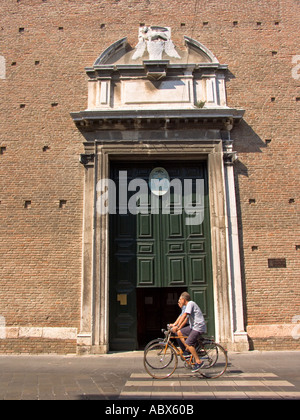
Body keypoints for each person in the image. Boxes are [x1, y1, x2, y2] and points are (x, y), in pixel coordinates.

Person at [171, 291, 206, 372]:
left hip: (198, 327)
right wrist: (177, 327)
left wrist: (177, 326)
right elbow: (182, 316)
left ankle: (198, 362)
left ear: (184, 299)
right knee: (180, 332)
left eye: (180, 299)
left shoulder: (190, 303)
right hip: (192, 326)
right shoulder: (187, 306)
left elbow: (184, 316)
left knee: (189, 343)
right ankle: (187, 350)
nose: (179, 301)